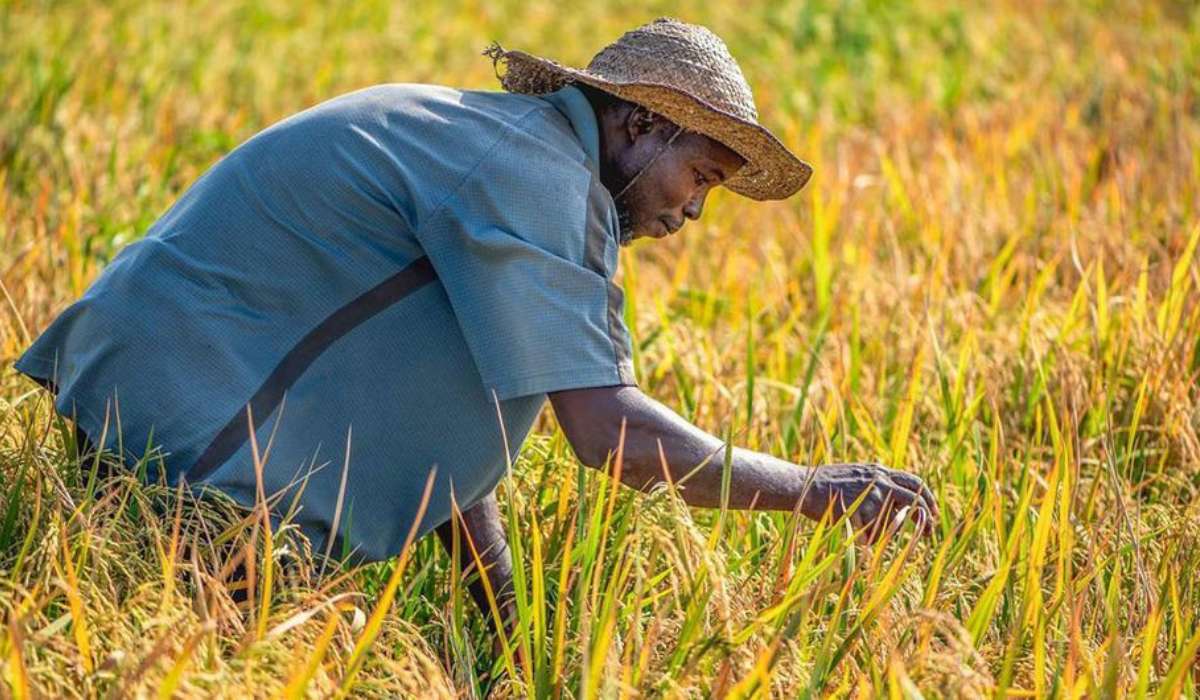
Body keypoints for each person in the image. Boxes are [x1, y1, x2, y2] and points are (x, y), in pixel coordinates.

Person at [14, 18, 938, 642]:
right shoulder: (535, 175)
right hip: (186, 436)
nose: (694, 212)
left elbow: (454, 438)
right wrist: (816, 491)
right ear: (640, 126)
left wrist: (507, 639)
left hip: (135, 389)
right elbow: (609, 434)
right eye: (699, 175)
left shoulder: (505, 152)